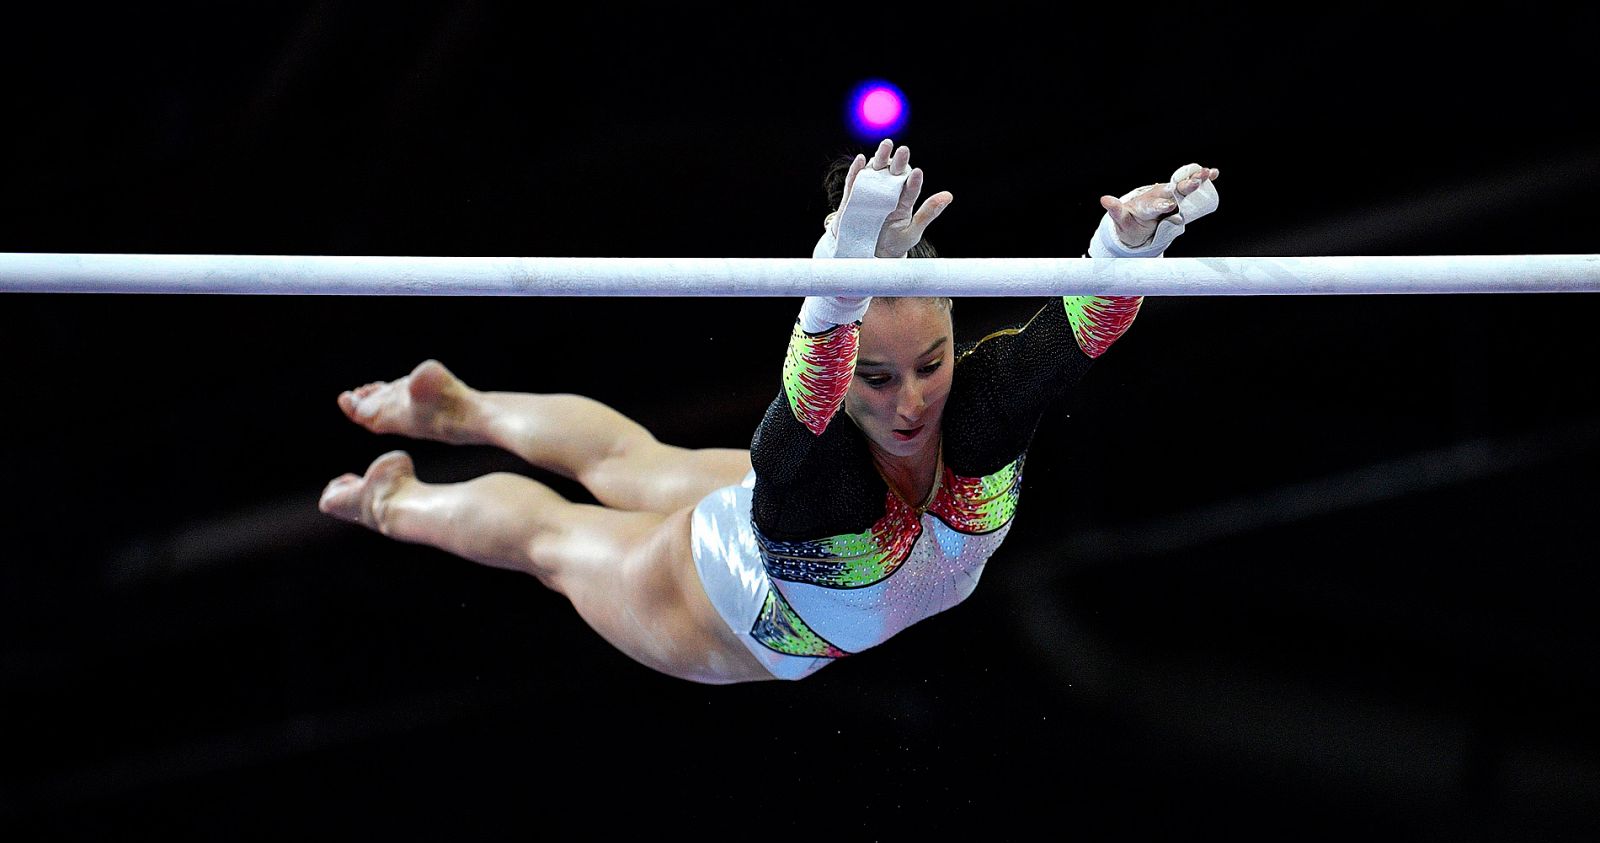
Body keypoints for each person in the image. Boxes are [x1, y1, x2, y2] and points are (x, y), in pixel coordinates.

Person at [318, 139, 1220, 684]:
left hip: (798, 548)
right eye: (875, 377)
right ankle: (389, 502)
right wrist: (832, 282)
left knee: (634, 461)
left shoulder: (979, 409)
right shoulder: (812, 466)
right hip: (709, 603)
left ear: (957, 343)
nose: (911, 401)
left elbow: (1075, 329)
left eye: (931, 364)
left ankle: (465, 408)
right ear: (839, 373)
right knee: (550, 541)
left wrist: (1129, 244)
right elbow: (810, 384)